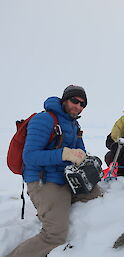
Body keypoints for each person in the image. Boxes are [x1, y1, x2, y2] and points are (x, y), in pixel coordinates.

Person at [6, 85, 102, 257]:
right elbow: (30, 156)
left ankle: (55, 215)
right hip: (43, 181)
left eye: (83, 104)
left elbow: (80, 151)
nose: (78, 107)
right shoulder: (44, 120)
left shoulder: (73, 124)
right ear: (65, 100)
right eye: (75, 101)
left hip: (64, 178)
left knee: (98, 196)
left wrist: (86, 159)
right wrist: (64, 154)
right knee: (55, 235)